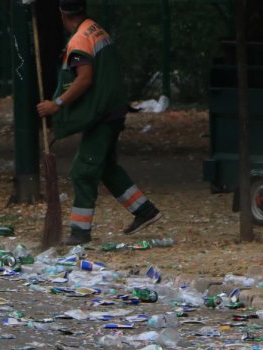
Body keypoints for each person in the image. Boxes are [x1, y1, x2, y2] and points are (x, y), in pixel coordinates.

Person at [36, 0, 162, 245]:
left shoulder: (79, 40)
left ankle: (80, 232)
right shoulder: (95, 29)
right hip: (112, 111)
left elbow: (84, 79)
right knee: (105, 167)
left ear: (62, 14)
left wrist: (57, 104)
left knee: (82, 171)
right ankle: (144, 210)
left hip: (103, 116)